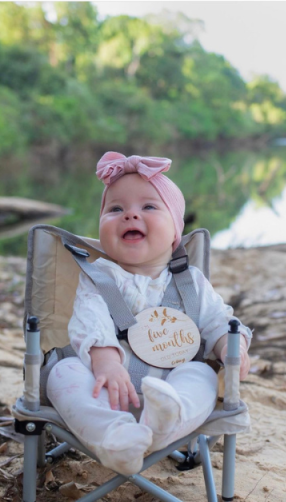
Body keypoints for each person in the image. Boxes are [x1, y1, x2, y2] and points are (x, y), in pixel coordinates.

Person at [46, 152, 253, 476]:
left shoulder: (190, 282)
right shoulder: (98, 276)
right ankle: (116, 437)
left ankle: (164, 424)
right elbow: (91, 322)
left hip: (171, 385)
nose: (130, 215)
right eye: (116, 209)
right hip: (107, 388)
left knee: (202, 375)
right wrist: (107, 364)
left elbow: (218, 320)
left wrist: (232, 346)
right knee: (64, 371)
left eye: (149, 207)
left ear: (175, 232)